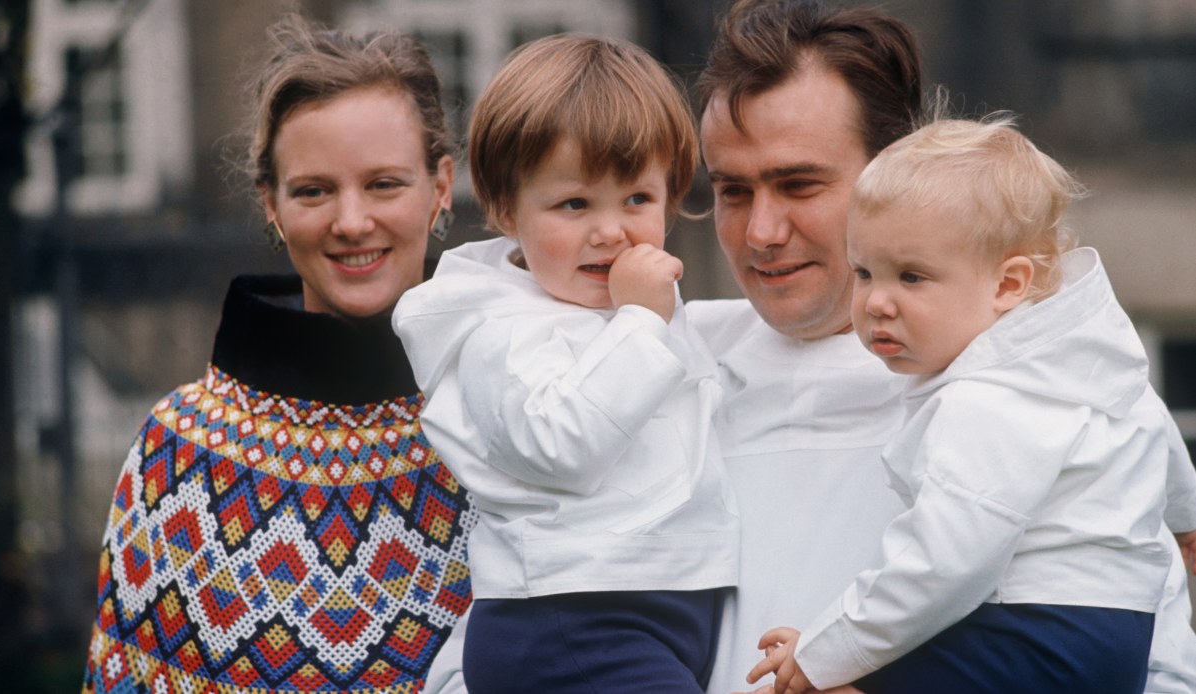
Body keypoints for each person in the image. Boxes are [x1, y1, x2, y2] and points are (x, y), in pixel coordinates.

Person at [688, 1, 1196, 693]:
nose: (761, 232)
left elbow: (1152, 667)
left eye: (798, 184)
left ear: (891, 173)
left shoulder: (1044, 382)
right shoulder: (651, 370)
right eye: (732, 191)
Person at [81, 15, 476, 693]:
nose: (351, 221)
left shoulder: (518, 413)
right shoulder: (179, 452)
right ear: (270, 203)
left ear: (440, 186)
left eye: (384, 183)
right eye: (313, 190)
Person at [393, 34, 739, 693]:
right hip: (573, 624)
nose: (610, 232)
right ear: (503, 209)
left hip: (663, 612)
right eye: (574, 204)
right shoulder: (502, 329)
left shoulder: (630, 312)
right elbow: (559, 443)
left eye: (636, 199)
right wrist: (640, 323)